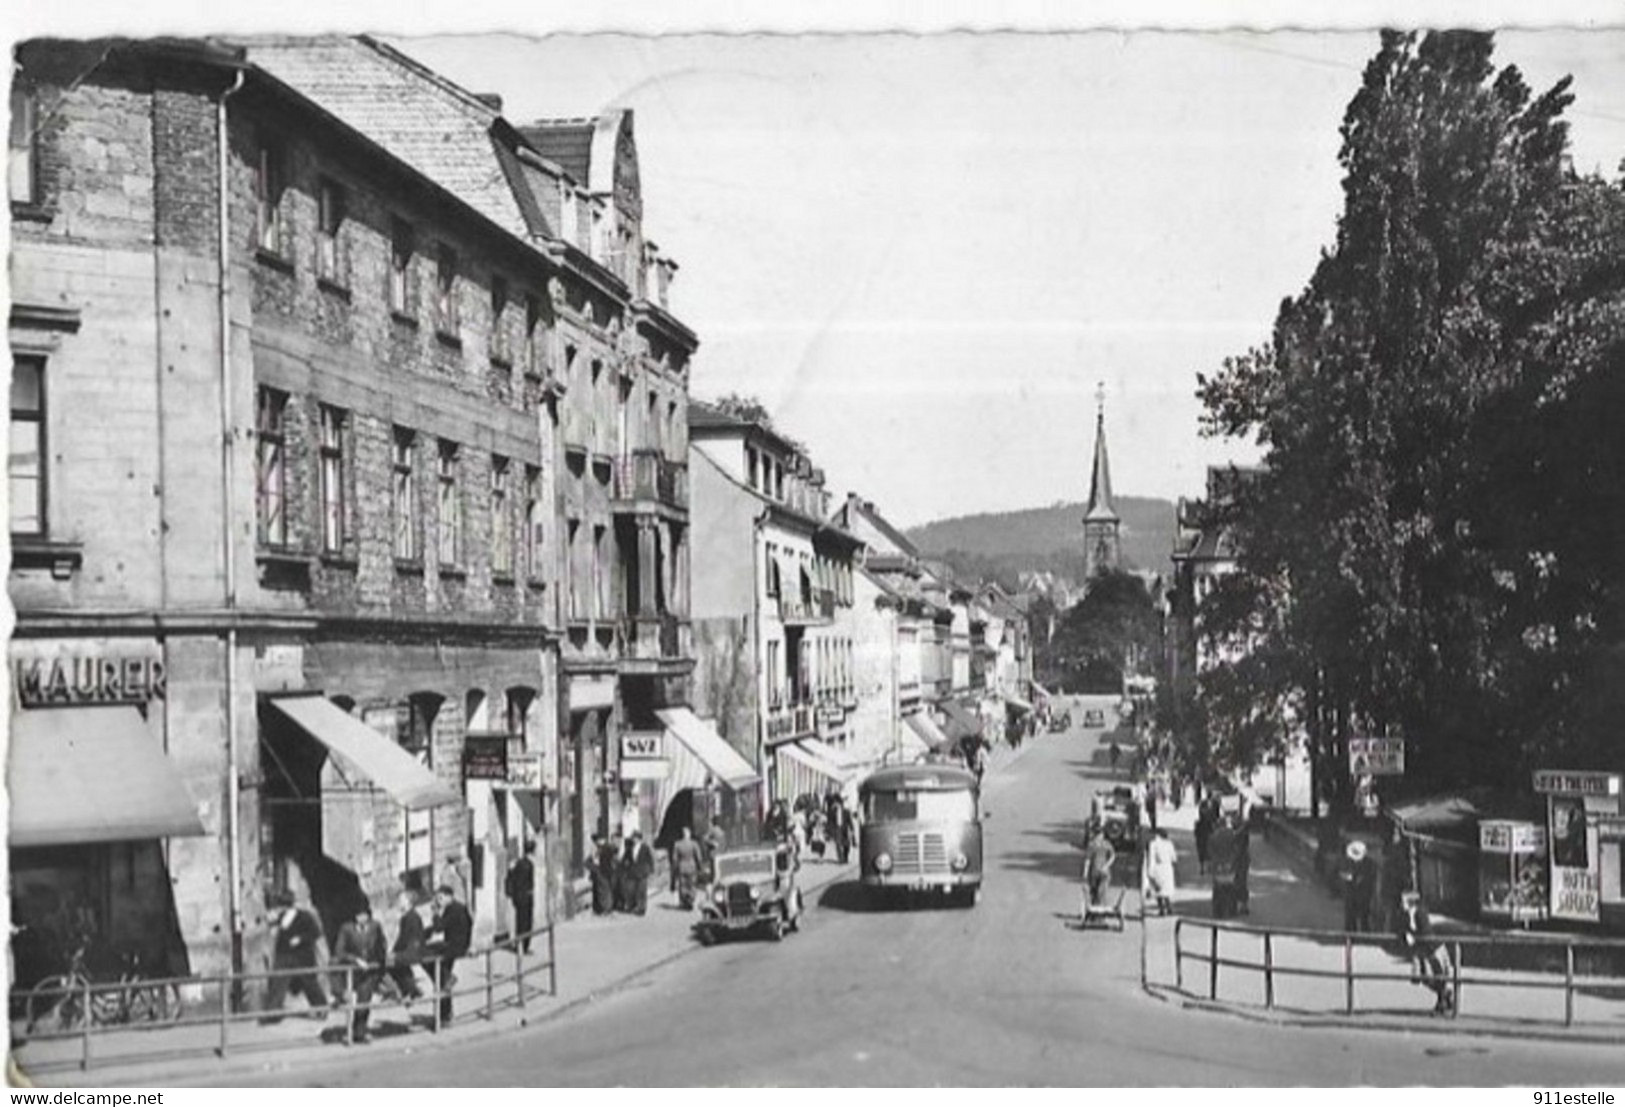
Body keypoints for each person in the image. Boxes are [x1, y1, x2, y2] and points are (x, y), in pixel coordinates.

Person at [262, 890, 327, 1021]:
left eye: (284, 906)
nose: (281, 909)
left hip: (303, 956)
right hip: (283, 955)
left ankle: (321, 1008)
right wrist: (271, 924)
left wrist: (300, 938)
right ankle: (273, 1014)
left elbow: (316, 932)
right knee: (278, 983)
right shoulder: (280, 917)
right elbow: (274, 930)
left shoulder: (305, 916)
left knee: (310, 983)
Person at [330, 900, 388, 1043]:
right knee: (351, 1002)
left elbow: (382, 944)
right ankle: (351, 1031)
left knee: (364, 1002)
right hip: (353, 972)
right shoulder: (347, 929)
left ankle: (359, 1033)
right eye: (357, 915)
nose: (360, 918)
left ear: (368, 916)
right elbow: (339, 951)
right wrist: (355, 960)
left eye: (363, 915)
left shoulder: (375, 926)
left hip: (369, 972)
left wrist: (378, 961)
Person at [1398, 890, 1454, 1015]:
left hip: (1432, 948)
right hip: (1421, 951)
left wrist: (1413, 937)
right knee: (1421, 977)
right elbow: (1402, 930)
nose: (1401, 904)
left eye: (1403, 901)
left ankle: (1442, 1002)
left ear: (1411, 902)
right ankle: (1446, 995)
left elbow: (1426, 932)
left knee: (1437, 975)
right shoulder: (1406, 915)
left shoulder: (1420, 913)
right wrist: (1406, 936)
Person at [424, 885, 472, 1026]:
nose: (439, 901)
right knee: (441, 981)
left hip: (453, 947)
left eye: (441, 898)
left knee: (427, 956)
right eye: (438, 898)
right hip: (457, 945)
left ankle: (445, 1015)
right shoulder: (458, 907)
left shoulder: (453, 910)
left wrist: (435, 913)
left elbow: (439, 927)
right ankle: (445, 1014)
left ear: (449, 896)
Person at [386, 889, 426, 1005]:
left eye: (401, 900)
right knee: (394, 962)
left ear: (408, 902)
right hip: (408, 950)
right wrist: (394, 952)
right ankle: (411, 989)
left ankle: (402, 991)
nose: (399, 902)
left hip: (412, 950)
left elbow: (409, 939)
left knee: (390, 962)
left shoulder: (412, 917)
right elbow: (401, 939)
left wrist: (395, 953)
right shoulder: (407, 917)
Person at [505, 840, 536, 953]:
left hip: (518, 898)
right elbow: (529, 883)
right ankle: (524, 946)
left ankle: (520, 946)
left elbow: (512, 878)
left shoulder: (518, 863)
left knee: (520, 922)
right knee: (527, 923)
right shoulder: (529, 865)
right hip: (526, 898)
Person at [1079, 826, 1117, 913]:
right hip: (1097, 872)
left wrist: (1107, 865)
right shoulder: (1096, 845)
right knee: (1097, 892)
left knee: (1099, 891)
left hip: (1100, 872)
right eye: (1098, 835)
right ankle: (1098, 911)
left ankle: (1099, 911)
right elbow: (1088, 860)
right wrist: (1085, 873)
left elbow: (1112, 856)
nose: (1099, 837)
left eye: (1099, 835)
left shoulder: (1101, 844)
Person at [1344, 840, 1378, 933]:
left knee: (1364, 914)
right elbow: (1341, 872)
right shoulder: (1348, 861)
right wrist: (1347, 877)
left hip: (1365, 893)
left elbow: (1372, 877)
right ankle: (1350, 934)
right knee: (1350, 915)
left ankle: (1365, 933)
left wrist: (1363, 880)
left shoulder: (1370, 864)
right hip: (1351, 892)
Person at [1143, 828, 1178, 916]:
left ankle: (1162, 909)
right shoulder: (1169, 844)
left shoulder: (1153, 844)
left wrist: (1149, 872)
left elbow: (1151, 858)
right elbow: (1174, 858)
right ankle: (1169, 908)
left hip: (1158, 868)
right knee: (1166, 890)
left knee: (1158, 889)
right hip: (1168, 868)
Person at [670, 826, 703, 910]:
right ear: (689, 834)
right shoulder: (694, 844)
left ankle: (685, 901)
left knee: (683, 885)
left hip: (682, 867)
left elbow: (674, 859)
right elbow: (699, 857)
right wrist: (700, 867)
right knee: (692, 884)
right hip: (692, 866)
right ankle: (691, 899)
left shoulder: (677, 844)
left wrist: (675, 868)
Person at [624, 830, 656, 916]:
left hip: (642, 872)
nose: (634, 840)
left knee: (642, 891)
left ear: (639, 839)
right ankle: (633, 906)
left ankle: (642, 909)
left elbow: (650, 859)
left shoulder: (645, 847)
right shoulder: (630, 848)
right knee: (632, 890)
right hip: (632, 872)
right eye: (633, 838)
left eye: (635, 838)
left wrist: (650, 870)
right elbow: (626, 858)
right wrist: (626, 865)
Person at [587, 833, 616, 915]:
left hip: (603, 872)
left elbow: (600, 860)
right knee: (604, 890)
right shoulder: (605, 847)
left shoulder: (604, 848)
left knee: (604, 891)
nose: (596, 843)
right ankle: (606, 908)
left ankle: (606, 908)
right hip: (605, 872)